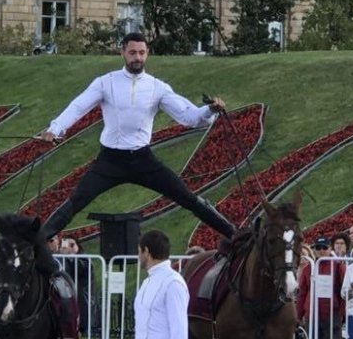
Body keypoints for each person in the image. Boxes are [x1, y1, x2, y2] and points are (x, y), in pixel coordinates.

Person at [33, 33, 235, 249]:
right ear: (122, 53)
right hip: (110, 160)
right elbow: (78, 106)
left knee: (186, 197)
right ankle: (35, 242)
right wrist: (55, 129)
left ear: (147, 53)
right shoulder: (105, 82)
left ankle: (236, 233)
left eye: (141, 53)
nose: (137, 58)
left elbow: (189, 116)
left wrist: (209, 110)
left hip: (142, 159)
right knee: (76, 200)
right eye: (132, 53)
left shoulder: (158, 87)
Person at [296, 237, 346, 339]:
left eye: (324, 247)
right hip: (312, 314)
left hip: (332, 313)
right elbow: (302, 293)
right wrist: (298, 315)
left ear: (330, 248)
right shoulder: (308, 268)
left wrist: (341, 313)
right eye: (318, 248)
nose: (321, 250)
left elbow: (343, 291)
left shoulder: (338, 266)